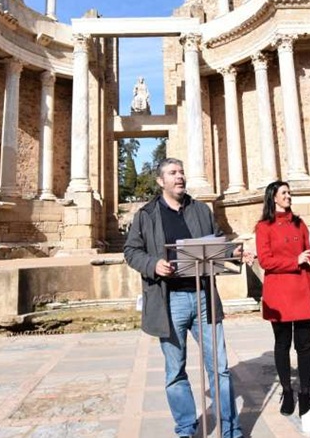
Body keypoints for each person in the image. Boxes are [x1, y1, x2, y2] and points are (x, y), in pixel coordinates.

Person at [123, 157, 250, 438]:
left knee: (219, 368)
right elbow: (131, 251)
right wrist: (153, 264)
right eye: (172, 173)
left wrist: (232, 252)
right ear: (160, 181)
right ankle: (185, 429)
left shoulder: (201, 210)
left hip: (204, 298)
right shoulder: (146, 214)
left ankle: (230, 430)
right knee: (175, 371)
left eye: (181, 172)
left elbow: (217, 241)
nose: (179, 177)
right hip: (170, 302)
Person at [255, 180, 310, 417]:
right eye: (284, 193)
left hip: (304, 290)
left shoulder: (299, 223)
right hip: (280, 294)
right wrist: (295, 261)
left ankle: (305, 392)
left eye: (290, 192)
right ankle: (287, 391)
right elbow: (265, 261)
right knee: (282, 345)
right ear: (273, 197)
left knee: (304, 345)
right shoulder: (264, 227)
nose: (289, 196)